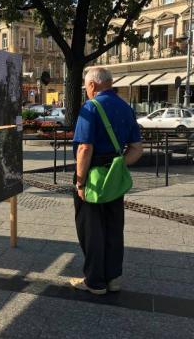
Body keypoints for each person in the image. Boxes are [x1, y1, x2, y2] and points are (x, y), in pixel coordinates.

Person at [69, 67, 143, 295]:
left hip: (92, 173)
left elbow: (84, 148)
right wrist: (118, 166)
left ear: (92, 85)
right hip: (114, 174)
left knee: (91, 228)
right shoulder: (125, 108)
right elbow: (137, 149)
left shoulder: (91, 108)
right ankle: (114, 278)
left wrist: (80, 183)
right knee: (113, 226)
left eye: (85, 86)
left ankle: (95, 281)